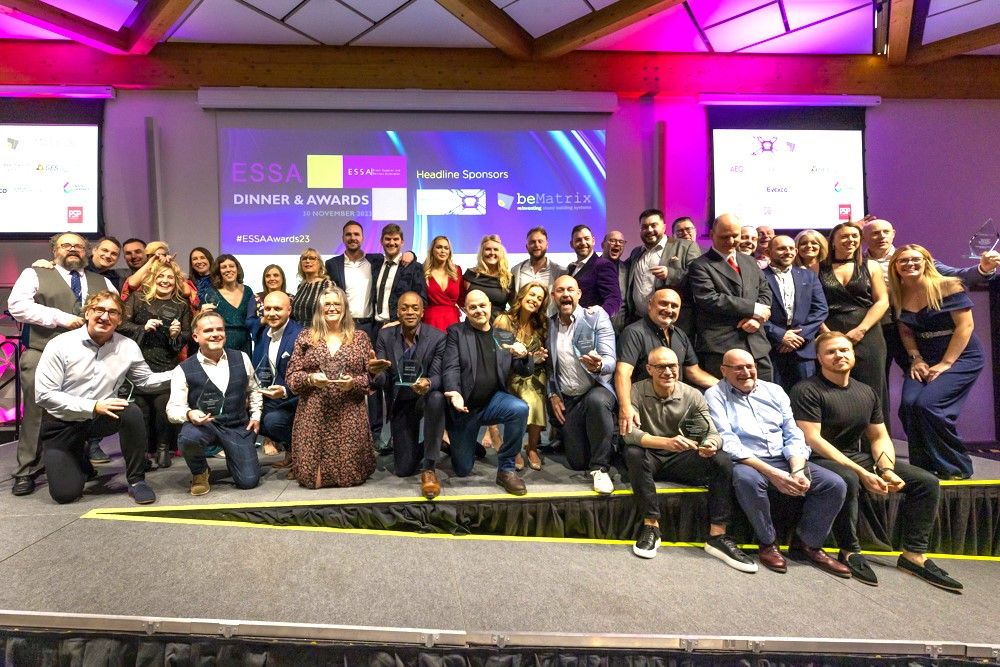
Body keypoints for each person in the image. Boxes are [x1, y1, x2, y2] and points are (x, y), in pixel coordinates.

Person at [791, 332, 961, 590]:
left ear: (853, 355)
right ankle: (850, 551)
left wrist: (887, 470)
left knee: (926, 482)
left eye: (844, 350)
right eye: (831, 352)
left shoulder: (866, 392)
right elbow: (813, 439)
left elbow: (879, 436)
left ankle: (913, 555)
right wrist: (862, 472)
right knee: (848, 478)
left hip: (854, 456)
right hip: (816, 459)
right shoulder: (806, 390)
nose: (839, 355)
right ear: (819, 358)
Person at [706, 349, 850, 578]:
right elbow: (728, 440)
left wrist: (797, 469)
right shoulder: (715, 394)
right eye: (738, 368)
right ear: (724, 370)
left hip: (784, 458)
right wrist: (772, 473)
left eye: (750, 366)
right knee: (746, 480)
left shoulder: (774, 391)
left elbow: (793, 433)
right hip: (749, 461)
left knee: (835, 484)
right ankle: (768, 543)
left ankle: (808, 546)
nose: (746, 372)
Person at [34, 291, 172, 504]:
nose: (105, 316)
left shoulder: (127, 346)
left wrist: (182, 374)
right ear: (88, 313)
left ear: (119, 320)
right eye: (99, 310)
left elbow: (145, 381)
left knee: (131, 411)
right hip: (62, 423)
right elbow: (44, 395)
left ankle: (137, 481)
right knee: (65, 494)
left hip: (101, 418)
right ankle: (79, 456)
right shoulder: (59, 345)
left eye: (113, 312)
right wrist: (94, 405)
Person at [623, 347, 754, 570]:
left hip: (680, 458)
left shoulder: (692, 394)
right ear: (649, 369)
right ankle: (651, 525)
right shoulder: (635, 391)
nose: (668, 372)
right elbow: (628, 434)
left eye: (672, 366)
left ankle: (718, 535)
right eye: (661, 367)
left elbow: (712, 433)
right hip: (651, 456)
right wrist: (665, 442)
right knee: (633, 452)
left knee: (722, 460)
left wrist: (709, 445)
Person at [8, 233, 114, 496]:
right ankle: (27, 469)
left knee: (81, 409)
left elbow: (115, 311)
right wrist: (60, 318)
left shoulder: (102, 282)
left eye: (79, 246)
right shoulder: (34, 273)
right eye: (66, 245)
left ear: (86, 252)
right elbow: (17, 306)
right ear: (54, 250)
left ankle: (79, 460)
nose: (73, 249)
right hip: (41, 351)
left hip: (85, 356)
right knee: (36, 410)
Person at [862, 217, 998, 385]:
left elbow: (959, 276)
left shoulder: (913, 258)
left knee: (922, 382)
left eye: (886, 232)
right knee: (876, 381)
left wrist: (983, 269)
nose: (882, 236)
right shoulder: (858, 264)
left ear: (893, 234)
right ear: (864, 237)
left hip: (911, 331)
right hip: (876, 329)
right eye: (875, 233)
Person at [889, 245, 984, 480]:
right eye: (903, 261)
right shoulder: (897, 293)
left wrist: (946, 363)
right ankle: (923, 468)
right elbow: (905, 330)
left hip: (961, 358)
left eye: (915, 259)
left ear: (927, 262)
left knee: (929, 406)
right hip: (925, 359)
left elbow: (965, 326)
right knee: (909, 406)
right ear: (895, 267)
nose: (910, 264)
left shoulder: (948, 286)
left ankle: (956, 467)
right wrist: (916, 358)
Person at [442, 290, 532, 495]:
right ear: (465, 310)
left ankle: (506, 469)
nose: (478, 310)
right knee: (462, 469)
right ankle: (457, 444)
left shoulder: (503, 335)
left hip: (493, 402)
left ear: (490, 306)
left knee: (519, 408)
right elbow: (451, 367)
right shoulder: (456, 333)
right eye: (472, 307)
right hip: (465, 408)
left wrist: (525, 356)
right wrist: (454, 392)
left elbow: (523, 370)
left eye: (482, 305)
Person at [285, 287, 376, 488]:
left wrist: (353, 383)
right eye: (327, 304)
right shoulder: (306, 337)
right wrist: (310, 379)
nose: (332, 308)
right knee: (313, 481)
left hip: (349, 414)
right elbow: (291, 377)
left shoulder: (360, 338)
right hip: (314, 414)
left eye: (337, 304)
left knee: (349, 479)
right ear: (320, 308)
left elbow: (370, 379)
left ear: (345, 308)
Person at [167, 310, 263, 495]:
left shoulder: (242, 358)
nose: (216, 334)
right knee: (188, 438)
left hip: (236, 425)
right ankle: (200, 471)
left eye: (220, 329)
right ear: (196, 337)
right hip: (205, 426)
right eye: (208, 330)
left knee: (248, 481)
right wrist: (189, 413)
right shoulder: (183, 369)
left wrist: (256, 415)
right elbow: (173, 408)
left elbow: (254, 389)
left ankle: (236, 457)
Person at [370, 291, 447, 498]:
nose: (410, 312)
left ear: (422, 312)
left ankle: (429, 467)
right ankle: (438, 442)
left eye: (415, 308)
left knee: (437, 398)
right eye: (404, 308)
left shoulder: (437, 337)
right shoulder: (385, 336)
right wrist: (375, 373)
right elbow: (383, 377)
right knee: (403, 469)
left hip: (426, 397)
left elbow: (439, 376)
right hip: (401, 400)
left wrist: (428, 383)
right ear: (397, 312)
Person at [118, 260, 192, 468]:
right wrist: (142, 327)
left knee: (162, 408)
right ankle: (142, 452)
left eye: (170, 277)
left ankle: (163, 449)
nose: (165, 281)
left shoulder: (181, 304)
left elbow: (188, 334)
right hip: (137, 362)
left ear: (176, 281)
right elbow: (120, 325)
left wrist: (177, 335)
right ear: (152, 279)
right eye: (161, 276)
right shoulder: (137, 298)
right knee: (141, 410)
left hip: (167, 363)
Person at [547, 275, 617, 494]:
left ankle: (600, 469)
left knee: (597, 401)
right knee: (577, 462)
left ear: (579, 294)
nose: (566, 294)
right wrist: (552, 394)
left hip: (596, 389)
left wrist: (599, 365)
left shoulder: (595, 317)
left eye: (570, 290)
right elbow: (549, 367)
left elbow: (610, 360)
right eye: (560, 290)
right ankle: (605, 443)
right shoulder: (549, 324)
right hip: (569, 398)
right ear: (553, 296)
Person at [615, 288, 718, 435]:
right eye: (663, 303)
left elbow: (693, 372)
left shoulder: (680, 335)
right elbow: (623, 372)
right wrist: (625, 407)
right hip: (646, 406)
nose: (669, 310)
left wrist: (725, 386)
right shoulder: (633, 332)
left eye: (674, 306)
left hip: (676, 405)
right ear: (650, 304)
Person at [687, 213, 773, 380]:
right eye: (724, 237)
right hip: (722, 347)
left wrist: (756, 319)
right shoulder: (700, 265)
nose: (731, 241)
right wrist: (754, 309)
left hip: (756, 344)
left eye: (735, 236)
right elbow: (709, 299)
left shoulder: (749, 261)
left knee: (766, 393)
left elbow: (764, 291)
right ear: (712, 235)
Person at [818, 222, 888, 412]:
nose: (850, 240)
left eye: (854, 236)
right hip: (829, 331)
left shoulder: (871, 266)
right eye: (844, 236)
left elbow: (882, 301)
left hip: (867, 332)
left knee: (873, 387)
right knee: (833, 389)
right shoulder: (817, 268)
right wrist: (825, 332)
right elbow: (811, 305)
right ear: (832, 242)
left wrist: (861, 330)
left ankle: (875, 431)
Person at [494, 281, 550, 471]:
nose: (535, 300)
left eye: (539, 298)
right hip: (509, 373)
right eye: (532, 295)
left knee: (538, 389)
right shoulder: (504, 320)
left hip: (534, 372)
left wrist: (536, 358)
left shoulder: (540, 324)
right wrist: (523, 357)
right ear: (522, 295)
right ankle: (514, 448)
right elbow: (497, 353)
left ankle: (532, 447)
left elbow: (536, 357)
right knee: (528, 397)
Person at [762, 235, 828, 391]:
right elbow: (754, 311)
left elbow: (821, 309)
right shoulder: (758, 275)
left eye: (791, 248)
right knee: (774, 397)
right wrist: (780, 335)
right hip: (771, 348)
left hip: (802, 349)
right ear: (768, 252)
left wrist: (798, 337)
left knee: (806, 396)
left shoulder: (809, 276)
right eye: (781, 248)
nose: (788, 252)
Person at [250, 291, 303, 468]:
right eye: (268, 309)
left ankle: (301, 455)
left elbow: (306, 375)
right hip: (269, 397)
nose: (272, 313)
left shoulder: (300, 335)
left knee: (273, 422)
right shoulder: (263, 334)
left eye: (278, 309)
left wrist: (285, 391)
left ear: (289, 310)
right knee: (241, 415)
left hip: (294, 399)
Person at [625, 208, 700, 333]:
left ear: (664, 227)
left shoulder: (686, 246)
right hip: (640, 322)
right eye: (644, 227)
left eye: (654, 225)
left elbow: (698, 277)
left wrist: (670, 274)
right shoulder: (636, 252)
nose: (649, 230)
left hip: (674, 324)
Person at [325, 220, 380, 336]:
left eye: (356, 234)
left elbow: (395, 260)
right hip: (343, 325)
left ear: (362, 238)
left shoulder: (376, 261)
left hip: (370, 326)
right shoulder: (332, 264)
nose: (352, 238)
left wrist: (411, 254)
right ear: (343, 238)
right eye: (348, 234)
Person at [199, 254, 254, 356]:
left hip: (245, 343)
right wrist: (202, 314)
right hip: (221, 342)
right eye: (224, 267)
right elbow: (205, 321)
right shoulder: (211, 293)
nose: (228, 269)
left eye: (231, 266)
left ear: (237, 269)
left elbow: (252, 318)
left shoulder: (248, 291)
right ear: (218, 271)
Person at [567, 224, 622, 318]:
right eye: (578, 240)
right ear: (572, 244)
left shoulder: (603, 265)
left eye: (586, 238)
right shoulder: (571, 268)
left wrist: (600, 314)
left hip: (591, 324)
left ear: (593, 241)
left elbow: (614, 299)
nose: (583, 243)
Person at [511, 227, 566, 305]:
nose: (536, 245)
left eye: (540, 241)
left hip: (550, 313)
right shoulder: (516, 270)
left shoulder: (560, 272)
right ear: (527, 246)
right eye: (532, 242)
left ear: (547, 245)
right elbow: (511, 298)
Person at [463, 234, 512, 319]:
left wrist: (506, 320)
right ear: (482, 252)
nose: (492, 253)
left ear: (501, 253)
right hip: (473, 324)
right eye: (488, 249)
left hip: (498, 325)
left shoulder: (508, 278)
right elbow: (460, 301)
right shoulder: (470, 274)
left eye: (496, 249)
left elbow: (515, 306)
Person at [423, 235, 464, 331]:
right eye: (439, 247)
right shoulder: (422, 271)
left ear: (450, 252)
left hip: (452, 321)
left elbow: (462, 299)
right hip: (430, 322)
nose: (443, 251)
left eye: (446, 248)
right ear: (432, 250)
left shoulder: (457, 271)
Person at [247, 263, 288, 342]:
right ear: (264, 280)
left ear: (282, 278)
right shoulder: (256, 298)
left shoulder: (290, 299)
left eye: (276, 275)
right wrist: (263, 320)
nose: (272, 278)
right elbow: (249, 323)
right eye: (268, 276)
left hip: (286, 340)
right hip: (262, 341)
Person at [290, 249, 331, 325]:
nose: (307, 261)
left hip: (317, 329)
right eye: (304, 258)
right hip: (297, 329)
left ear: (319, 263)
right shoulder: (301, 286)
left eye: (312, 258)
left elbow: (330, 311)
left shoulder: (326, 284)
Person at [600, 230, 629, 331]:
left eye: (621, 242)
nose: (617, 244)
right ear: (603, 245)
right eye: (612, 241)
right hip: (597, 327)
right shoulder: (591, 267)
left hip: (621, 329)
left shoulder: (627, 269)